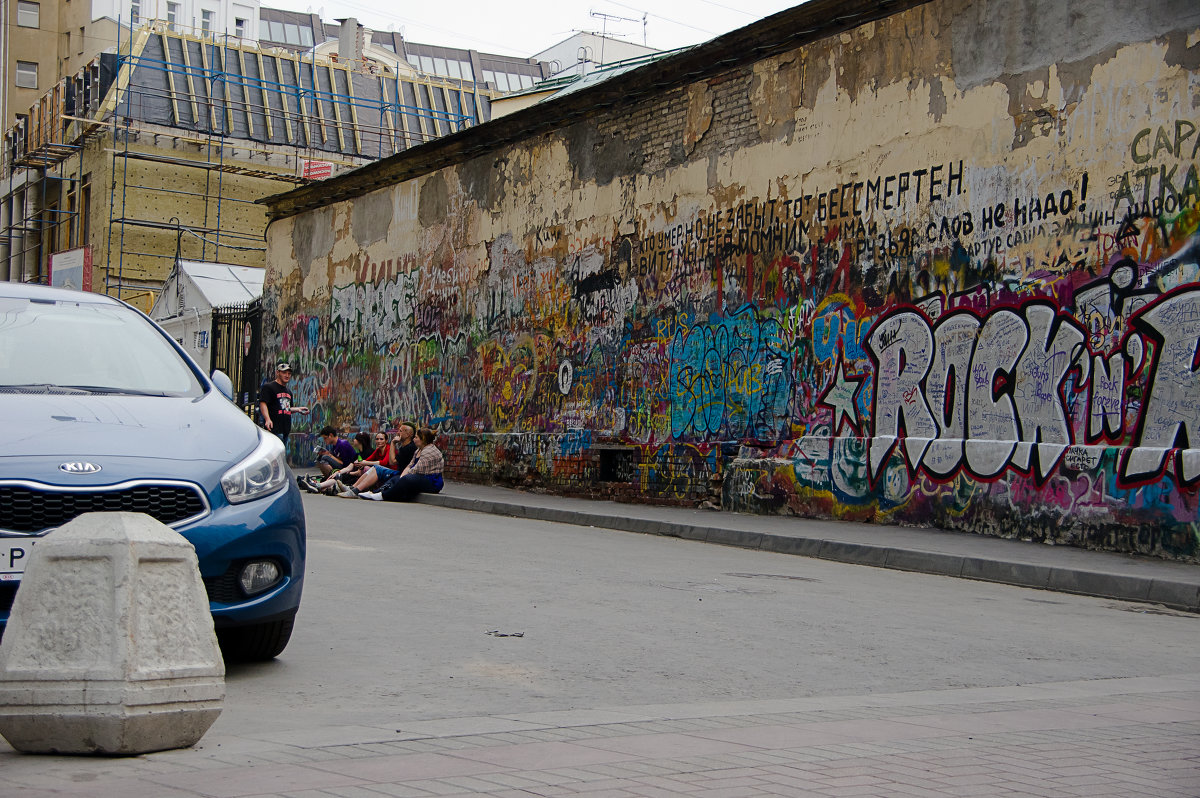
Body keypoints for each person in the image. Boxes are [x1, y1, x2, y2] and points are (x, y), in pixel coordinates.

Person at [303, 425, 416, 495]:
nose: (378, 441)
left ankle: (352, 489)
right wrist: (347, 470)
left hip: (388, 475)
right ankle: (321, 486)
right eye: (376, 439)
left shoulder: (391, 448)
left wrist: (392, 444)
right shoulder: (374, 451)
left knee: (366, 469)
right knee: (342, 474)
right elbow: (361, 462)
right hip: (363, 472)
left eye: (381, 439)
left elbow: (388, 463)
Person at [359, 427, 443, 502]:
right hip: (418, 477)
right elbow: (410, 465)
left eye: (416, 437)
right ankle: (375, 493)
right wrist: (401, 477)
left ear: (423, 439)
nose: (414, 439)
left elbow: (416, 469)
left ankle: (383, 495)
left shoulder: (429, 451)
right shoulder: (418, 450)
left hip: (431, 482)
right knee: (397, 478)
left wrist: (403, 478)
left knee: (406, 479)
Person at [258, 363, 309, 446]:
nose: (287, 375)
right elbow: (263, 403)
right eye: (284, 373)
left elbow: (287, 409)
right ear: (277, 373)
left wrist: (298, 409)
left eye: (289, 373)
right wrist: (267, 419)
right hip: (274, 429)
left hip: (285, 430)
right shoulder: (269, 387)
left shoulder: (288, 391)